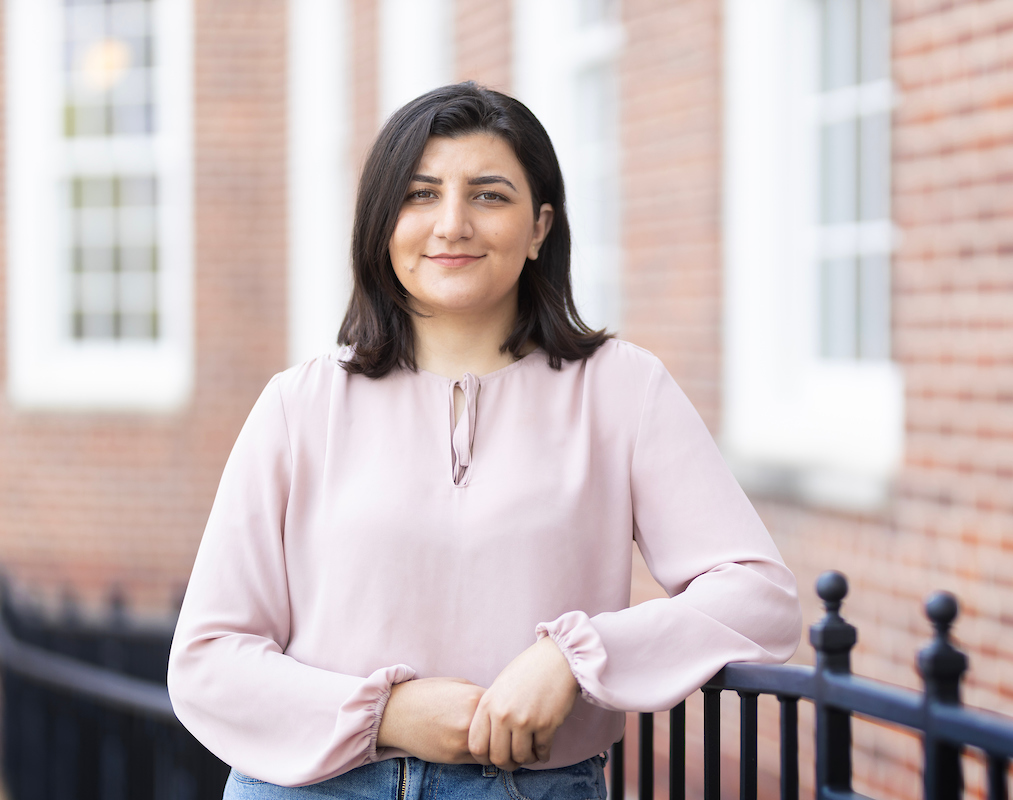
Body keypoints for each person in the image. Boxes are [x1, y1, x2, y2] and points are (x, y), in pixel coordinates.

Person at [167, 82, 802, 799]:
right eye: (420, 195)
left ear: (539, 228)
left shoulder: (620, 390)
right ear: (381, 224)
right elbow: (208, 658)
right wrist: (387, 714)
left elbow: (760, 597)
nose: (452, 224)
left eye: (490, 196)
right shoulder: (299, 405)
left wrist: (575, 656)